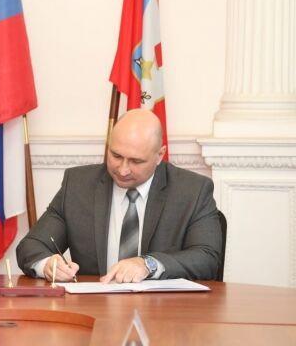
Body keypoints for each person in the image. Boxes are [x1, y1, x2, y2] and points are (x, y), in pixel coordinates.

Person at [16, 109, 222, 283]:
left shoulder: (192, 191)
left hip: (164, 312)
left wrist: (148, 264)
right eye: (116, 156)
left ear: (159, 155)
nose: (123, 170)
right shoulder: (78, 186)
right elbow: (31, 246)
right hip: (95, 308)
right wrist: (48, 264)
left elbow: (207, 258)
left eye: (136, 161)